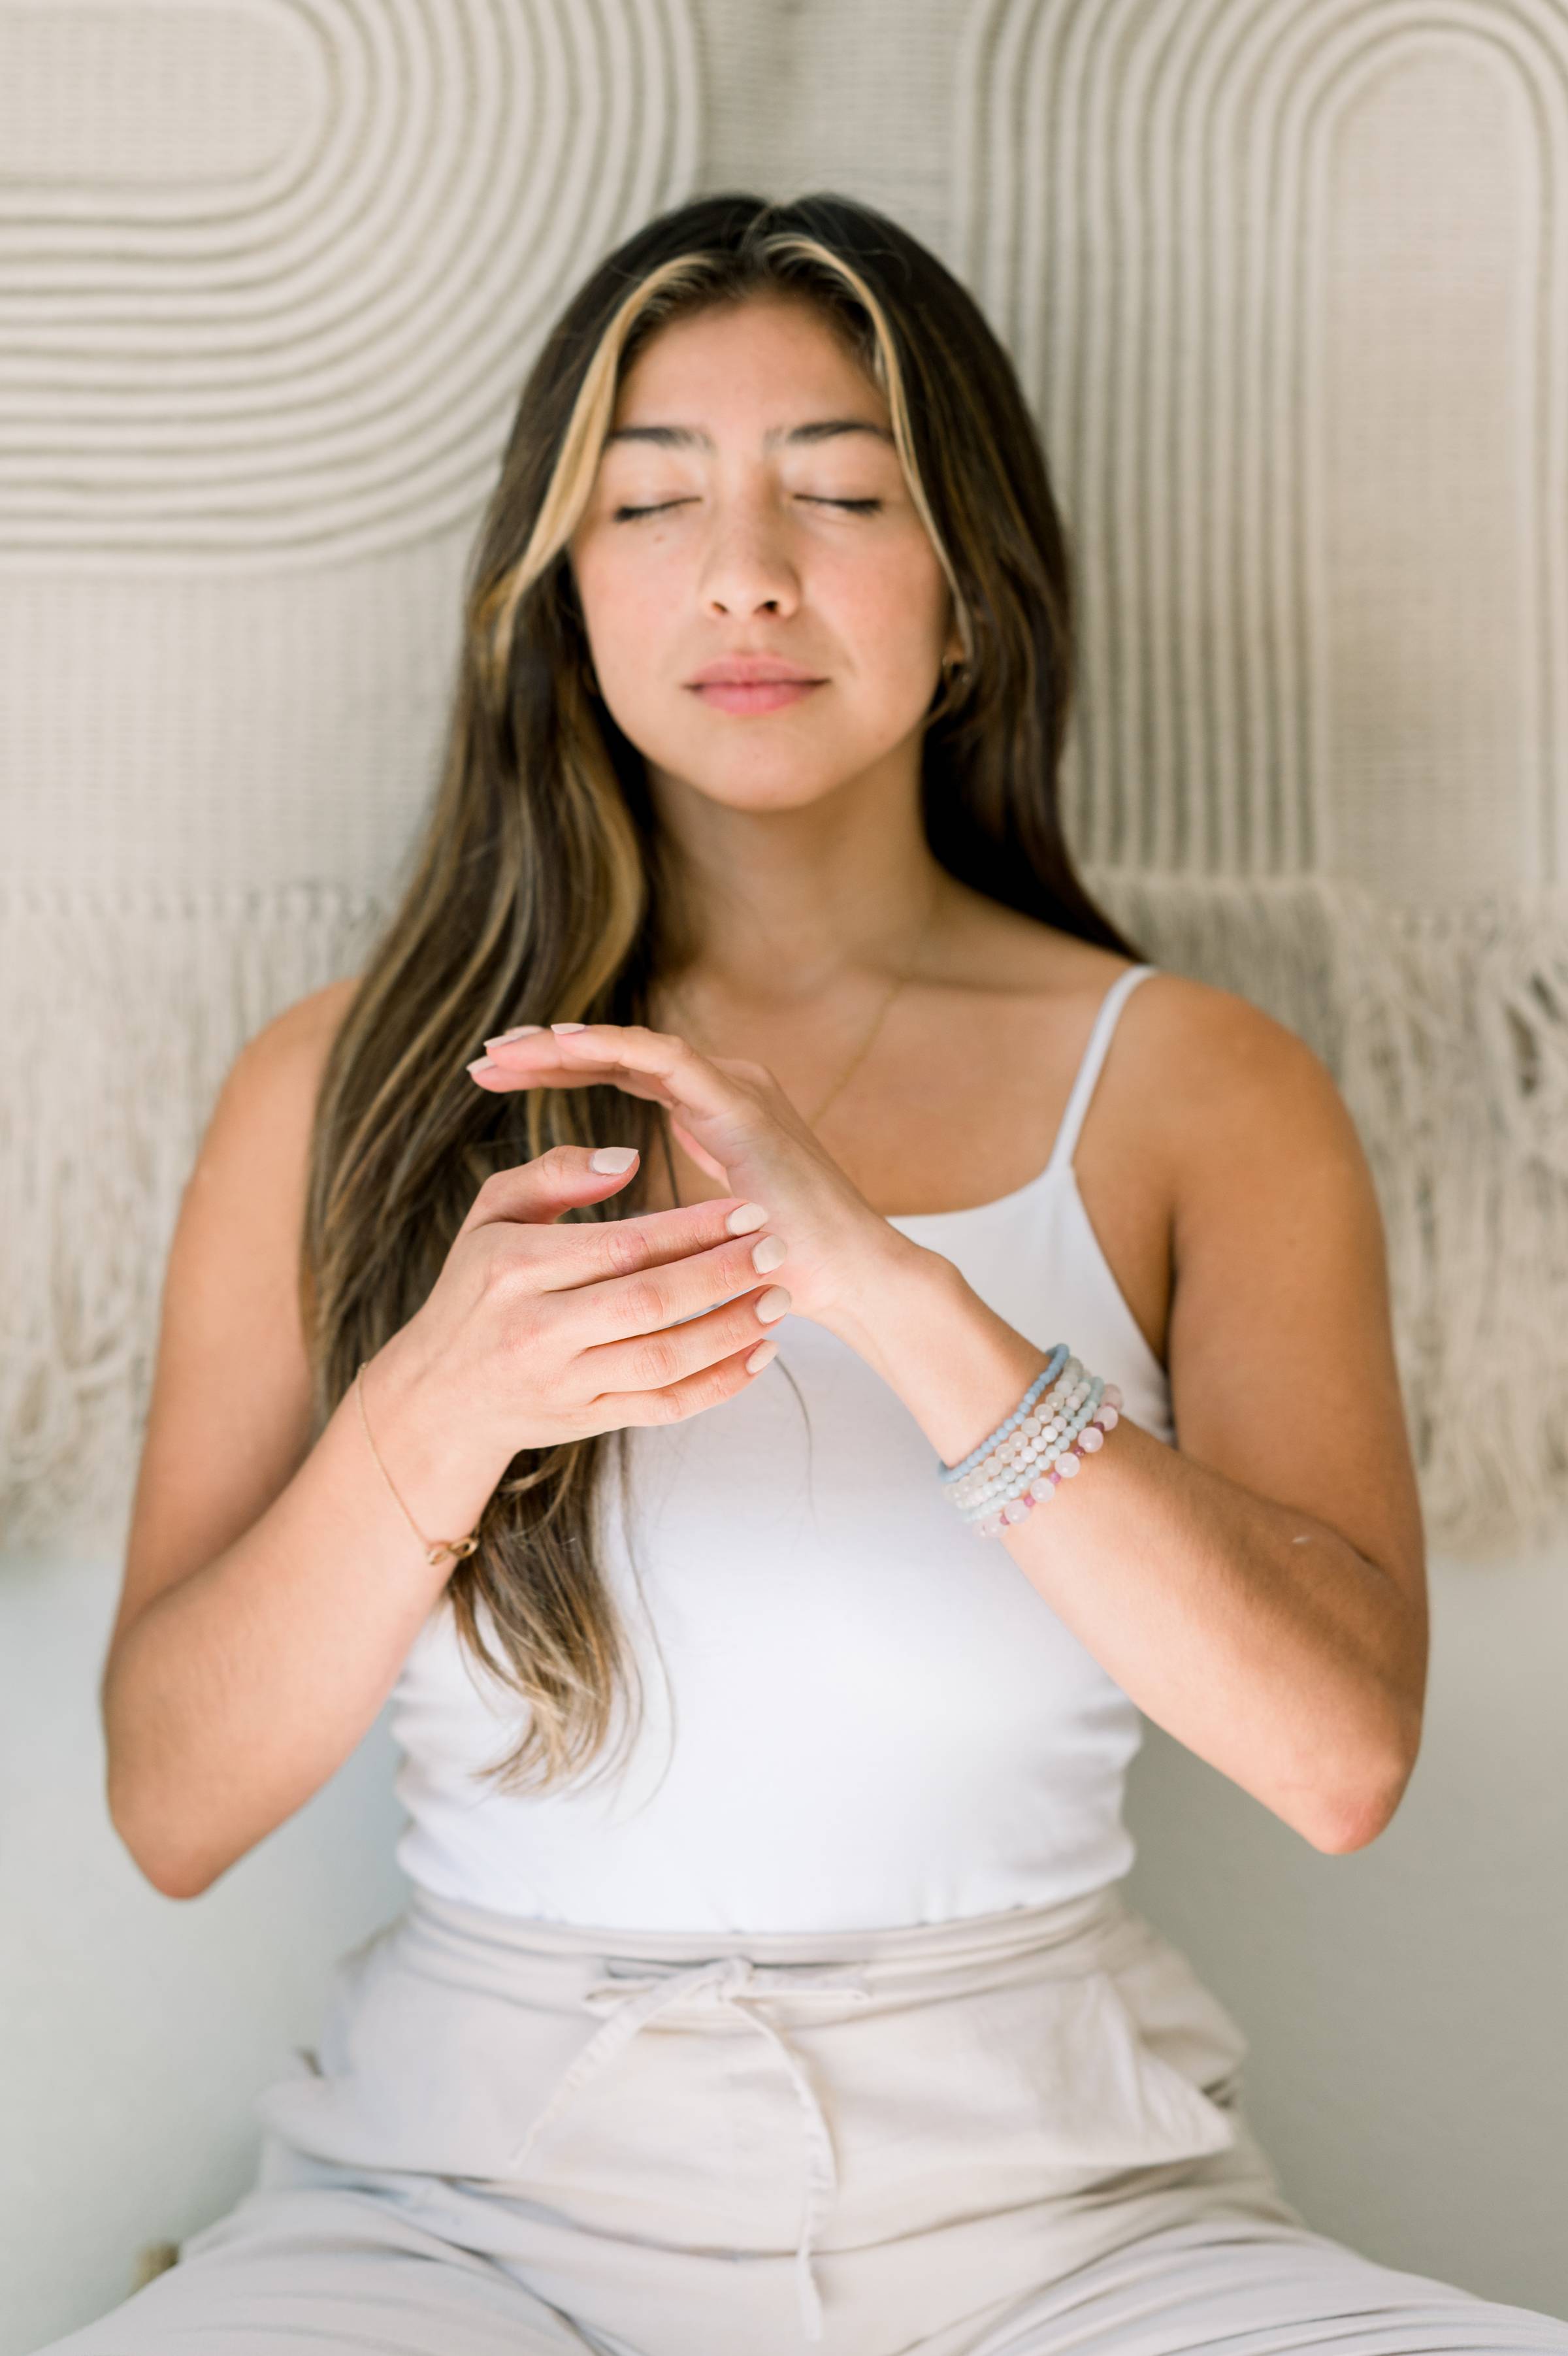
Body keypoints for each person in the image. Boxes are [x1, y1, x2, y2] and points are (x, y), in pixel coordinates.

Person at [42, 193, 1565, 2356]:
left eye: (841, 492)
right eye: (652, 502)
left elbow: (1337, 1761)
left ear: (971, 600)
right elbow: (169, 1806)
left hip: (1073, 2229)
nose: (745, 570)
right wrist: (434, 1418)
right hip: (463, 2223)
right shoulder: (344, 1083)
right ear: (564, 599)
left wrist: (904, 1301)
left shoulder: (1204, 1091)